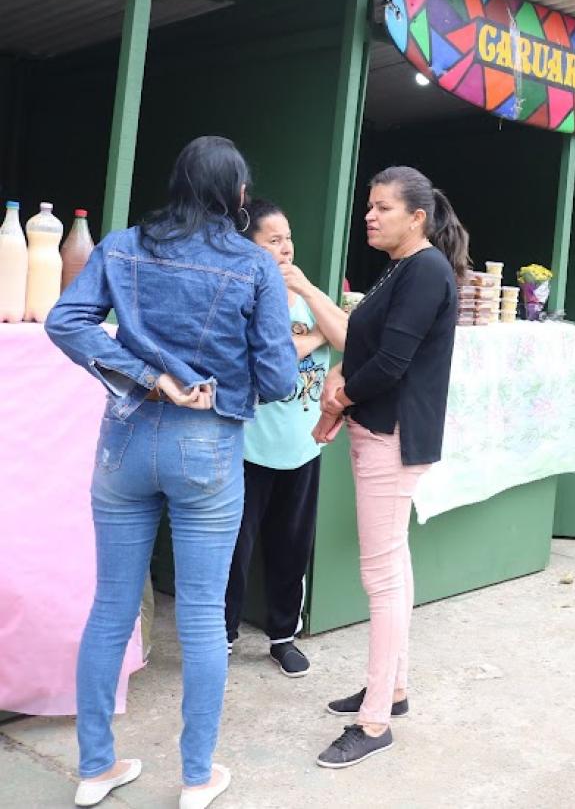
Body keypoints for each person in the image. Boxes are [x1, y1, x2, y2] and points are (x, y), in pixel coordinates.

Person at [46, 136, 296, 809]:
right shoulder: (254, 265)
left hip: (125, 439)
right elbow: (275, 377)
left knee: (111, 606)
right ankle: (194, 776)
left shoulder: (122, 245)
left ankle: (95, 767)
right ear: (239, 196)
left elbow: (64, 320)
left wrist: (150, 375)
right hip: (208, 449)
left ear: (177, 183)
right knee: (202, 613)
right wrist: (212, 379)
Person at [313, 166, 466, 769]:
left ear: (417, 217)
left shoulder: (424, 269)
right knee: (393, 566)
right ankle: (391, 689)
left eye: (382, 208)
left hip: (391, 435)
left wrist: (340, 395)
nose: (370, 216)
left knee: (380, 577)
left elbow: (392, 363)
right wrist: (339, 382)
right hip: (380, 428)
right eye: (369, 207)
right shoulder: (404, 268)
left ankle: (374, 721)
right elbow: (366, 349)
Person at [224, 199, 348, 676]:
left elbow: (353, 337)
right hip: (249, 447)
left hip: (302, 445)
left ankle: (283, 636)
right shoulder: (242, 294)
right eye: (272, 240)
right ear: (248, 247)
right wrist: (318, 337)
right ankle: (224, 636)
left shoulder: (304, 292)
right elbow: (269, 357)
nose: (285, 248)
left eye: (287, 238)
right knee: (235, 548)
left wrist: (311, 293)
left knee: (292, 547)